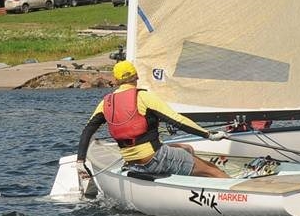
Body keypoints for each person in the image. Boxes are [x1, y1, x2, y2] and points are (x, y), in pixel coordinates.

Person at [76, 60, 229, 182]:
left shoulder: (106, 103)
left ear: (116, 81)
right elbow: (178, 121)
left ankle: (185, 182)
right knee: (214, 171)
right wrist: (209, 135)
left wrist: (80, 161)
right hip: (155, 158)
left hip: (132, 161)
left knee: (186, 148)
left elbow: (88, 130)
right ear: (136, 77)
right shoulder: (143, 97)